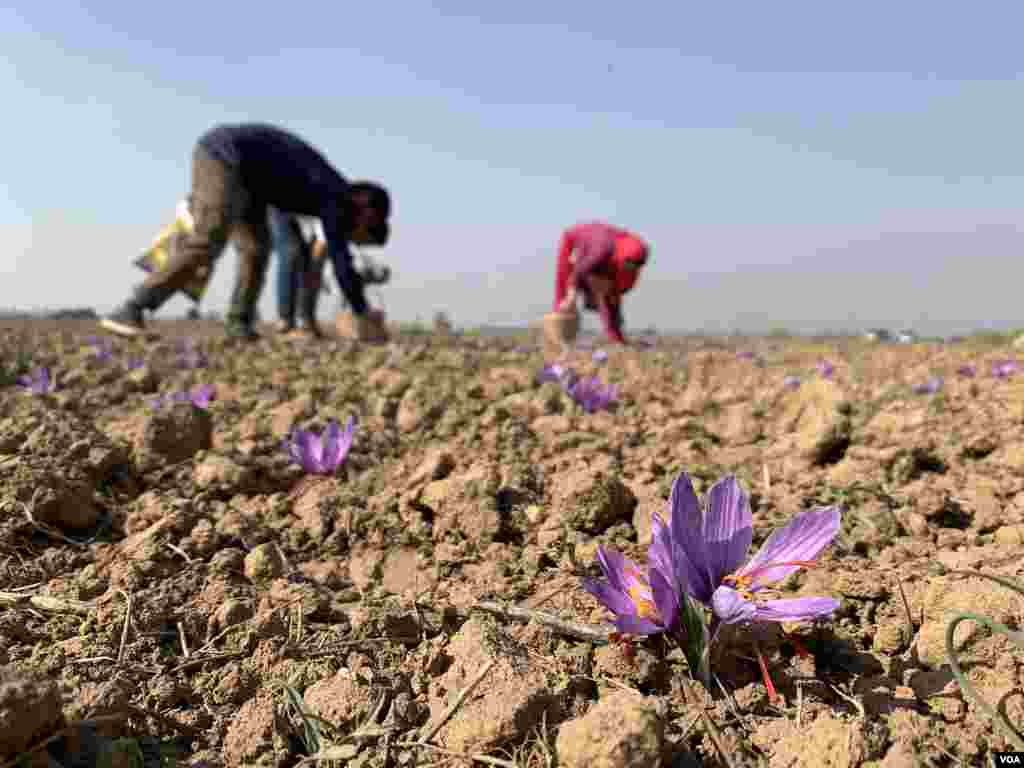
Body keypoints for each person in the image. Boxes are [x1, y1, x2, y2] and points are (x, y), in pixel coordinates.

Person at [101, 123, 391, 340]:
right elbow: (341, 263)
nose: (359, 238)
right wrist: (363, 314)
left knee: (256, 250)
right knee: (209, 238)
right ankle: (132, 307)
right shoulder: (336, 197)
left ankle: (238, 323)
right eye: (368, 230)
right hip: (224, 156)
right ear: (366, 210)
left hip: (254, 184)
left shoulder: (329, 191)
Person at [553, 221, 649, 345]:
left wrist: (615, 310)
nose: (630, 268)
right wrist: (570, 299)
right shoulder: (599, 251)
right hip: (582, 241)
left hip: (609, 255)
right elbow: (577, 273)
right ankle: (560, 332)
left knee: (610, 298)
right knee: (565, 288)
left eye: (634, 266)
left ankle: (615, 336)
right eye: (628, 264)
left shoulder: (636, 258)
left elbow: (615, 293)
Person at [269, 207, 329, 337]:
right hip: (282, 206)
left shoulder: (332, 220)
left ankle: (306, 319)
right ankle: (285, 322)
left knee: (315, 263)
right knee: (292, 252)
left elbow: (322, 246)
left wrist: (314, 271)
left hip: (310, 215)